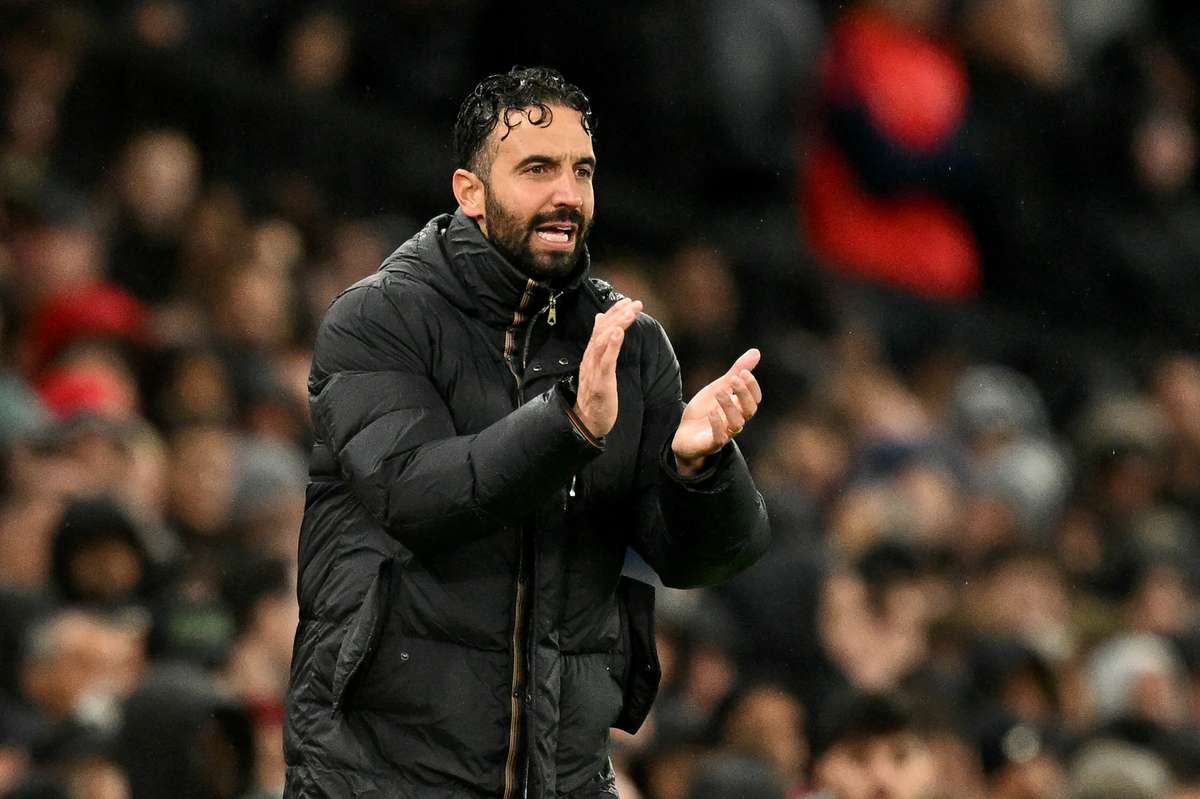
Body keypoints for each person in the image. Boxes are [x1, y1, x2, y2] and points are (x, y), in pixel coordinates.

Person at [282, 66, 771, 798]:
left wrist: (698, 471)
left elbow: (699, 561)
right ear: (469, 190)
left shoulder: (630, 344)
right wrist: (567, 425)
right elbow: (415, 492)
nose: (568, 194)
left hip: (563, 776)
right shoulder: (379, 318)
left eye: (583, 171)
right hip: (380, 774)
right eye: (537, 169)